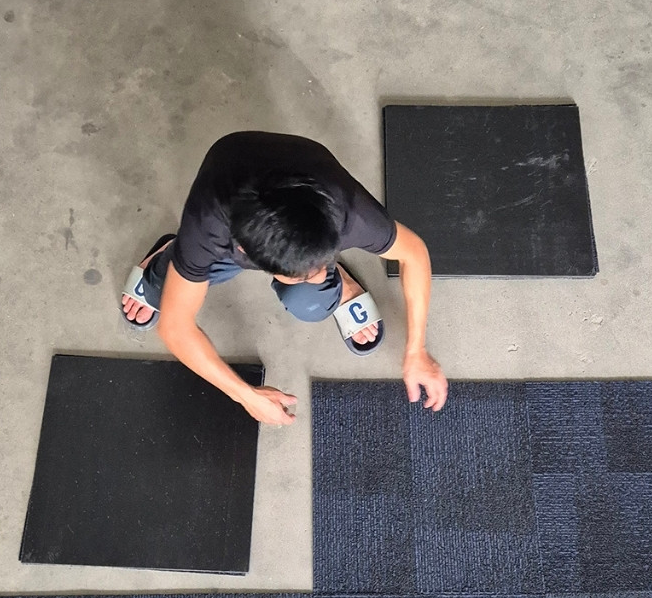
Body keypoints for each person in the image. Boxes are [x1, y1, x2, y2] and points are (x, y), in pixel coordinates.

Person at [121, 131, 448, 425]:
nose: (318, 276)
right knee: (163, 286)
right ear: (246, 252)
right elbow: (175, 328)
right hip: (230, 164)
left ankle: (343, 281)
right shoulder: (208, 226)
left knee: (314, 304)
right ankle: (168, 252)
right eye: (305, 273)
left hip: (303, 171)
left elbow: (414, 253)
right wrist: (245, 395)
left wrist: (416, 350)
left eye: (323, 263)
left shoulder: (351, 213)